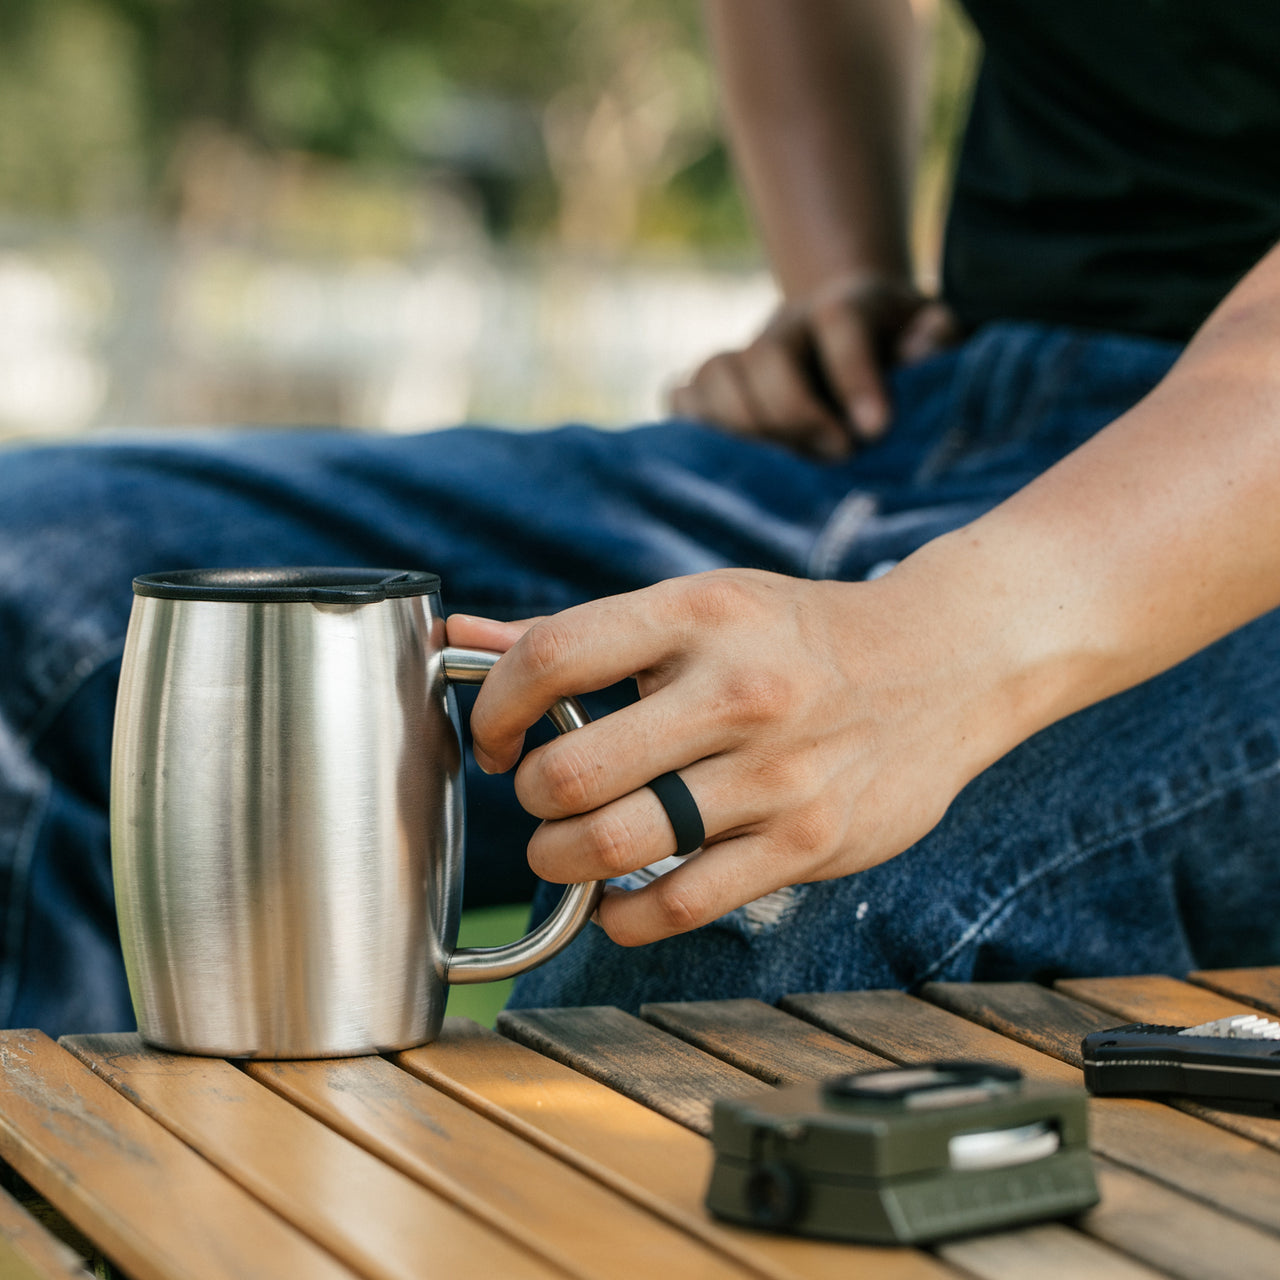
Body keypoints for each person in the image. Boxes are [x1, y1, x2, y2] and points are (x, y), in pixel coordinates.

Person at [4, 0, 1280, 1037]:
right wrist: (844, 275)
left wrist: (934, 641)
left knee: (718, 926)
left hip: (1223, 525)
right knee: (27, 587)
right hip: (923, 404)